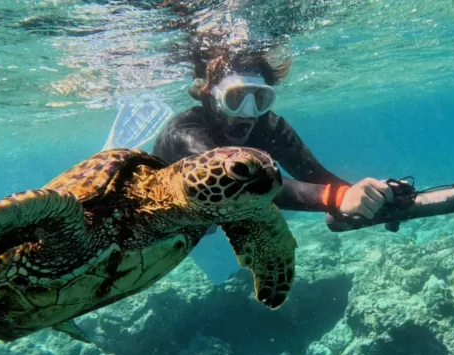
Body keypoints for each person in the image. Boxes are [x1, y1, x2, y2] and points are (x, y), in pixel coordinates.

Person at [153, 48, 394, 223]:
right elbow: (235, 182)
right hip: (169, 213)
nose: (248, 113)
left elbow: (314, 177)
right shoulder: (184, 134)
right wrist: (338, 197)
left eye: (259, 99)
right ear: (210, 96)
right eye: (235, 98)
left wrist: (372, 199)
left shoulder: (269, 125)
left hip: (221, 214)